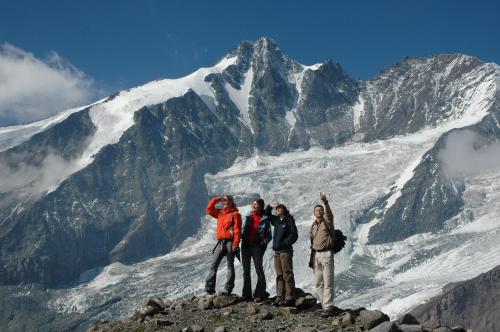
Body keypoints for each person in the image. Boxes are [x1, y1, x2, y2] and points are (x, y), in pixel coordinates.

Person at [205, 195, 242, 295]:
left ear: (231, 202)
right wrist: (217, 199)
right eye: (223, 200)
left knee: (230, 266)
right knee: (214, 265)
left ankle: (228, 288)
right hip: (220, 242)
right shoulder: (220, 213)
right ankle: (210, 288)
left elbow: (237, 231)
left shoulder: (235, 214)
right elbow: (209, 209)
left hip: (230, 242)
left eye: (225, 200)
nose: (223, 202)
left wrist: (235, 244)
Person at [265, 202, 298, 307]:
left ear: (284, 209)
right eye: (277, 208)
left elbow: (294, 234)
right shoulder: (276, 221)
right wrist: (270, 206)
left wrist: (285, 243)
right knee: (279, 275)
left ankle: (289, 297)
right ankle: (280, 296)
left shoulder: (289, 220)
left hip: (285, 252)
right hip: (277, 253)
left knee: (287, 274)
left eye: (280, 208)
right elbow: (267, 214)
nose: (278, 209)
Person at [241, 198, 272, 302]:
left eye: (256, 204)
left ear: (261, 206)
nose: (254, 206)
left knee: (259, 270)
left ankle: (260, 293)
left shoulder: (265, 218)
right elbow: (243, 229)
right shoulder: (248, 216)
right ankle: (246, 294)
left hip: (256, 247)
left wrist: (262, 244)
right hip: (245, 246)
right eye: (253, 204)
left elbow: (268, 235)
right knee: (246, 271)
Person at [310, 192, 336, 317]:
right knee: (318, 283)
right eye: (317, 210)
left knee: (328, 282)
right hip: (316, 255)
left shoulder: (328, 222)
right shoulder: (314, 225)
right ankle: (323, 305)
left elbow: (330, 215)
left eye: (321, 210)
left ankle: (328, 307)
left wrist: (325, 202)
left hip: (326, 254)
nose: (319, 212)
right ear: (314, 213)